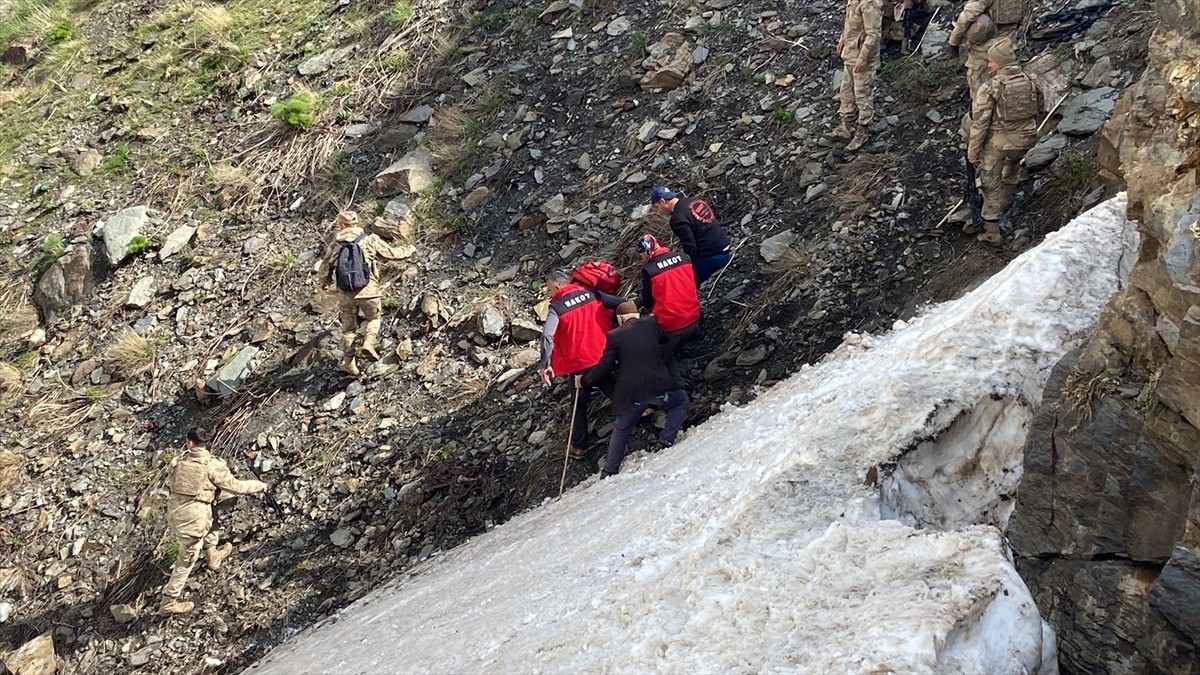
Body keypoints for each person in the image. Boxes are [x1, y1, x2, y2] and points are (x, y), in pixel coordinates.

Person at [159, 428, 268, 616]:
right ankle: (169, 601)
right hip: (193, 519)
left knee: (210, 520)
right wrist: (259, 486)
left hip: (175, 513)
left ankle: (212, 556)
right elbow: (237, 487)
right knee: (187, 559)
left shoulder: (178, 462)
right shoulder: (212, 465)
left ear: (189, 442)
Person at [539, 270, 637, 459]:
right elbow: (621, 303)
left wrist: (545, 363)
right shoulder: (592, 294)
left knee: (579, 401)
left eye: (549, 289)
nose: (548, 293)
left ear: (558, 287)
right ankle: (639, 406)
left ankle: (578, 446)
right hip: (602, 352)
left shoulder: (557, 308)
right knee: (605, 381)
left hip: (579, 362)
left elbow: (547, 335)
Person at [582, 314, 689, 478]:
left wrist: (584, 380)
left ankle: (609, 470)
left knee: (622, 429)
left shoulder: (614, 336)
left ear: (620, 319)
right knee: (680, 400)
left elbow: (604, 368)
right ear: (637, 315)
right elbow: (666, 338)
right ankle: (666, 440)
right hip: (659, 385)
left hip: (631, 395)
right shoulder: (651, 323)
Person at [967, 38, 1041, 246]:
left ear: (999, 62)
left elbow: (980, 123)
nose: (989, 65)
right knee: (1012, 168)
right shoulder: (1030, 80)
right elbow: (1040, 108)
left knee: (990, 182)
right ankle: (1006, 202)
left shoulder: (991, 87)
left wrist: (973, 151)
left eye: (991, 61)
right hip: (1026, 140)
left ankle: (992, 230)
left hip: (998, 143)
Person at [317, 210, 409, 376]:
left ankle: (350, 364)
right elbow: (392, 255)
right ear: (356, 223)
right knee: (374, 318)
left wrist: (325, 282)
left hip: (346, 293)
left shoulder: (336, 245)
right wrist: (410, 249)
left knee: (348, 329)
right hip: (369, 290)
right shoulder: (370, 239)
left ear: (341, 225)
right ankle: (368, 342)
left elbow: (324, 268)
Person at [636, 234, 701, 377]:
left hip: (672, 327)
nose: (642, 259)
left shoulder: (649, 269)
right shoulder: (684, 257)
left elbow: (647, 301)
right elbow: (696, 283)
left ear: (647, 251)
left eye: (641, 255)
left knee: (655, 357)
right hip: (694, 318)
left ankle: (674, 386)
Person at [649, 186, 731, 285]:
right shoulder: (696, 200)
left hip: (711, 257)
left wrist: (685, 265)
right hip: (726, 247)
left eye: (657, 207)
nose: (659, 212)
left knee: (683, 281)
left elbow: (690, 246)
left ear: (663, 201)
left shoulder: (678, 218)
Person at [947, 0, 1026, 103]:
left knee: (979, 90)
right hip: (1008, 44)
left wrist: (954, 41)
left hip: (984, 47)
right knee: (1005, 86)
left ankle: (980, 116)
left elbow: (968, 16)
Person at [834, 0, 883, 152]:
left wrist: (863, 58)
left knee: (862, 94)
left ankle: (863, 130)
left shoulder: (870, 3)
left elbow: (873, 34)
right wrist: (843, 39)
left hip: (862, 58)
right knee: (846, 90)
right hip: (850, 54)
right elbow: (850, 23)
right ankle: (845, 125)